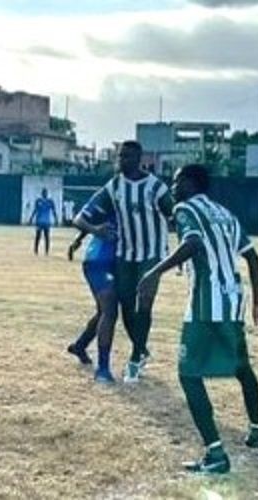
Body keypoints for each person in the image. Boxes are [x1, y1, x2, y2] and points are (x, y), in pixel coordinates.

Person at [138, 164, 258, 474]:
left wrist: (154, 272)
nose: (173, 189)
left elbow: (194, 242)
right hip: (233, 300)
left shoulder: (185, 209)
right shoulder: (224, 213)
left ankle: (215, 453)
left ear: (190, 183)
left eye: (176, 182)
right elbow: (252, 256)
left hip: (205, 304)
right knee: (242, 367)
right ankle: (257, 431)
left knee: (188, 374)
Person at [73, 140, 172, 384]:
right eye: (120, 156)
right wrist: (91, 232)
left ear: (139, 159)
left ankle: (134, 357)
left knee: (137, 305)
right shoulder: (113, 188)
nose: (122, 161)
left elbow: (174, 215)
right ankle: (105, 356)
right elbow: (83, 218)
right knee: (118, 307)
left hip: (149, 255)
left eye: (127, 156)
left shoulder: (156, 187)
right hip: (117, 257)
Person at [66, 204, 119, 383]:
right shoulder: (111, 199)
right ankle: (103, 369)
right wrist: (89, 233)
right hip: (98, 260)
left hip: (115, 262)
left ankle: (80, 345)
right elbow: (82, 220)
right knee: (109, 310)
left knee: (103, 311)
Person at [28, 188, 57, 255]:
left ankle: (46, 251)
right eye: (44, 193)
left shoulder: (50, 201)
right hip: (39, 221)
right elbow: (35, 210)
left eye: (45, 193)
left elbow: (53, 211)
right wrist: (31, 218)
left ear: (47, 193)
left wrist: (56, 219)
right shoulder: (38, 201)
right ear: (42, 194)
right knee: (38, 236)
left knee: (47, 237)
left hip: (46, 222)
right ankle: (36, 250)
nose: (45, 194)